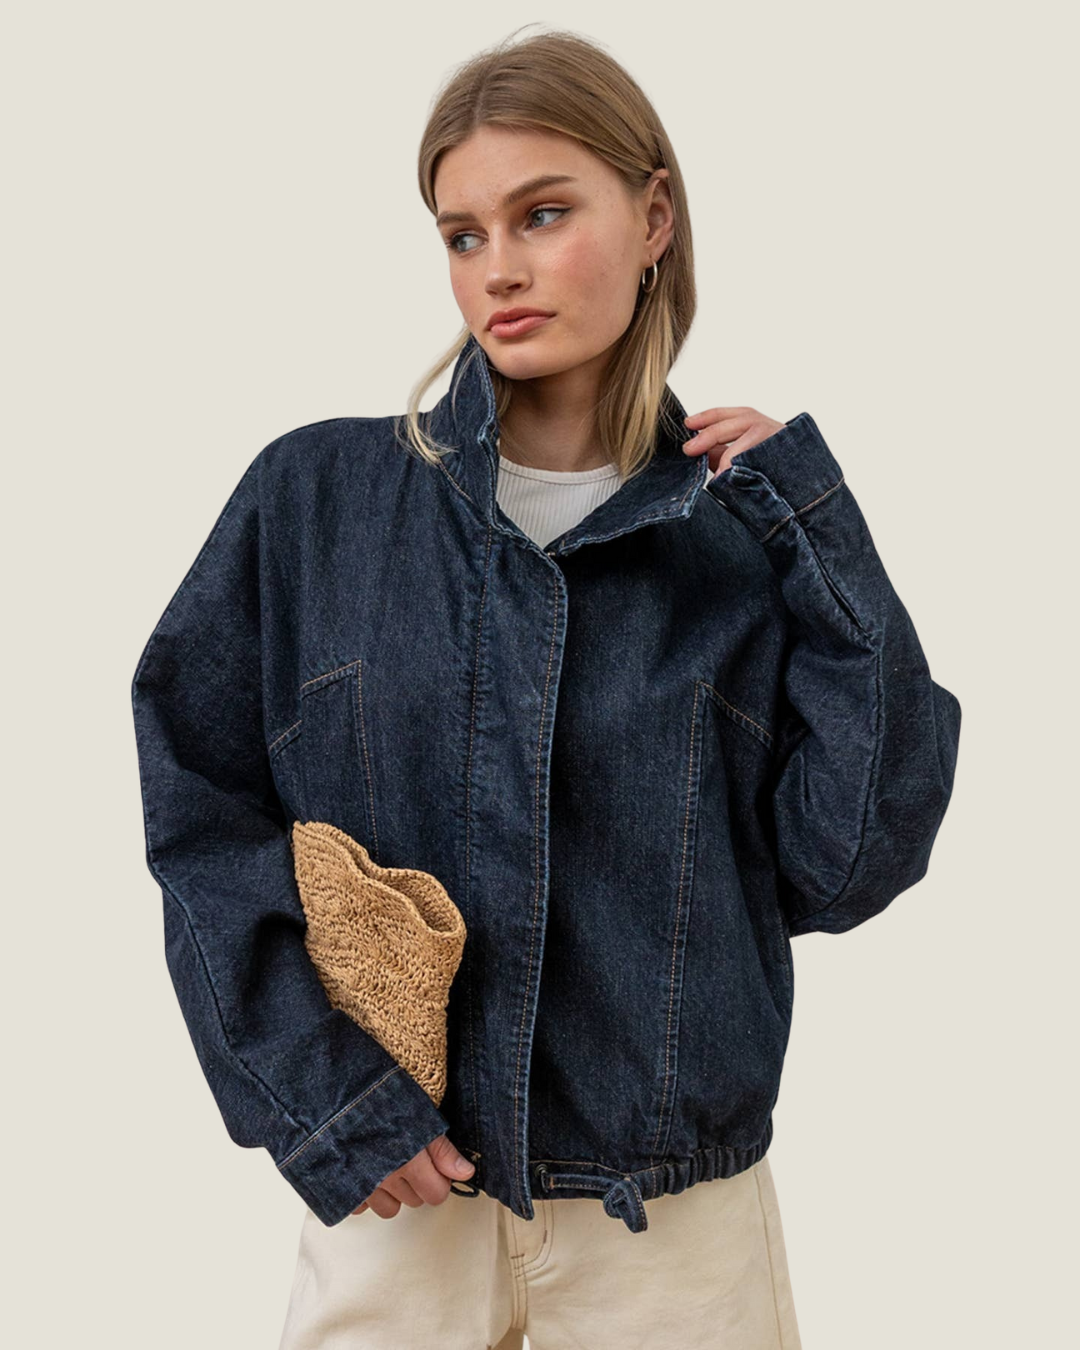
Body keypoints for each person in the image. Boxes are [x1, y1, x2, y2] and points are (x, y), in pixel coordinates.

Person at [131, 25, 961, 1350]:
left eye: (543, 213)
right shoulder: (319, 502)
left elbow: (850, 863)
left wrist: (819, 531)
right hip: (397, 1217)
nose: (499, 269)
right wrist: (330, 1104)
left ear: (654, 216)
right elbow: (201, 825)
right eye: (463, 235)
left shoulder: (743, 541)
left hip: (674, 1244)